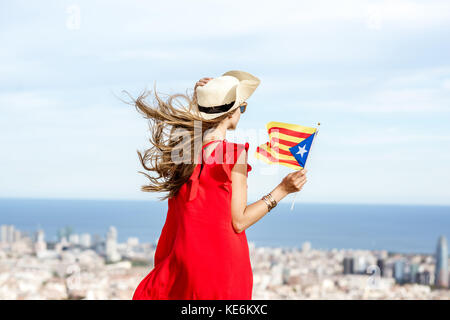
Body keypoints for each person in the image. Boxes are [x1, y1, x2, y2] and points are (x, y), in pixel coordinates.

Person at [131, 70, 307, 300]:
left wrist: (200, 100)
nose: (241, 113)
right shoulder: (233, 154)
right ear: (231, 113)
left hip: (183, 264)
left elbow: (191, 130)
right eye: (242, 107)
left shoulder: (181, 152)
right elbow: (239, 221)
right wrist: (283, 190)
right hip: (222, 267)